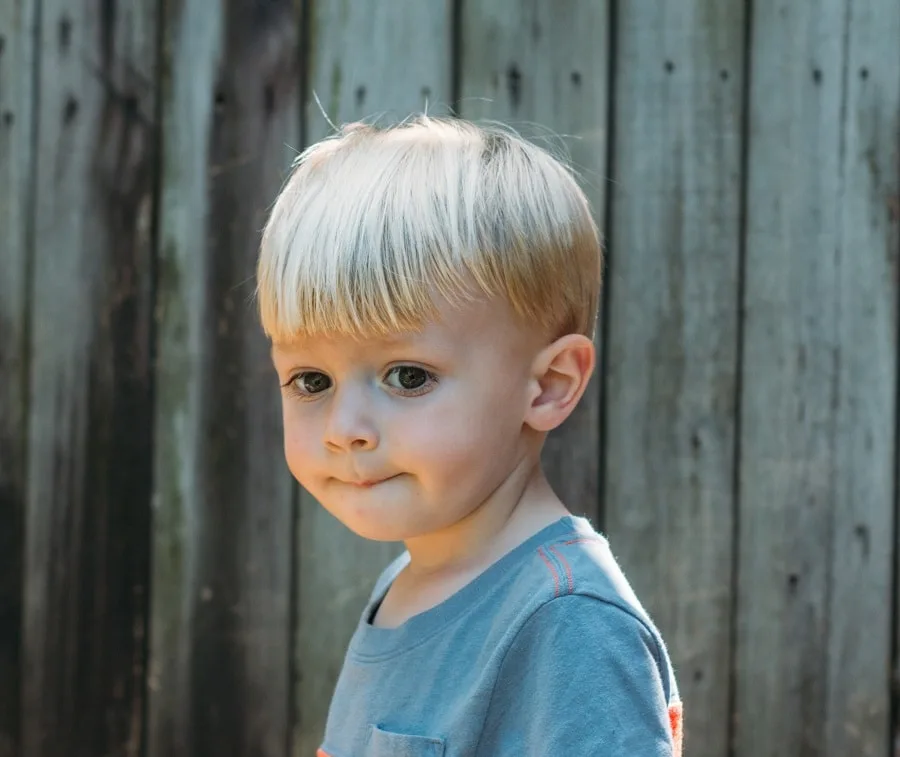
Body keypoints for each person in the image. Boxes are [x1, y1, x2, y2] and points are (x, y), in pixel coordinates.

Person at [257, 115, 683, 756]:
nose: (345, 430)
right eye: (312, 380)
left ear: (548, 385)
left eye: (407, 375)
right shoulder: (411, 580)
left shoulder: (569, 623)